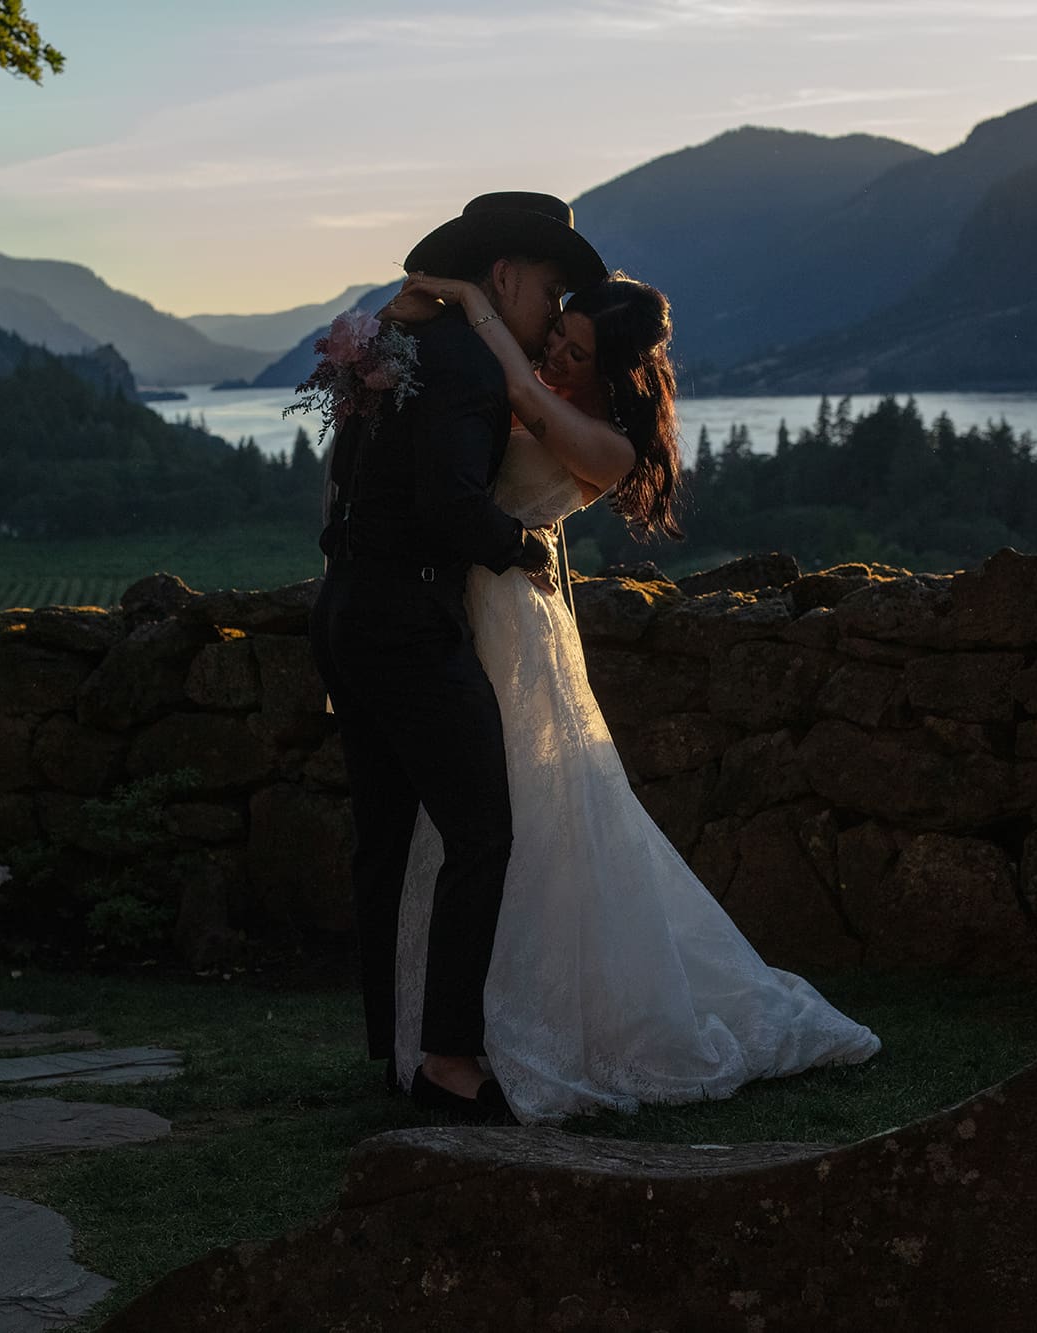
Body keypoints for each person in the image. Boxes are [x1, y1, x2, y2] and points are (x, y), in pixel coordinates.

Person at [379, 269, 882, 1124]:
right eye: (558, 338)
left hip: (515, 629)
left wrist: (473, 306)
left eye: (577, 354)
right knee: (478, 819)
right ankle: (461, 1030)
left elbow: (522, 399)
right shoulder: (533, 388)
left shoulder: (606, 448)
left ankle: (531, 1024)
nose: (556, 357)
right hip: (466, 611)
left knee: (527, 818)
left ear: (614, 374)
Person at [310, 192, 607, 1125]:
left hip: (343, 609)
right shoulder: (470, 366)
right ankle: (445, 1058)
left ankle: (393, 1048)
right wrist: (520, 547)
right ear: (505, 276)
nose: (554, 313)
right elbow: (449, 504)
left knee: (385, 839)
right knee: (481, 832)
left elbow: (345, 480)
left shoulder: (401, 349)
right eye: (550, 290)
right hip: (408, 622)